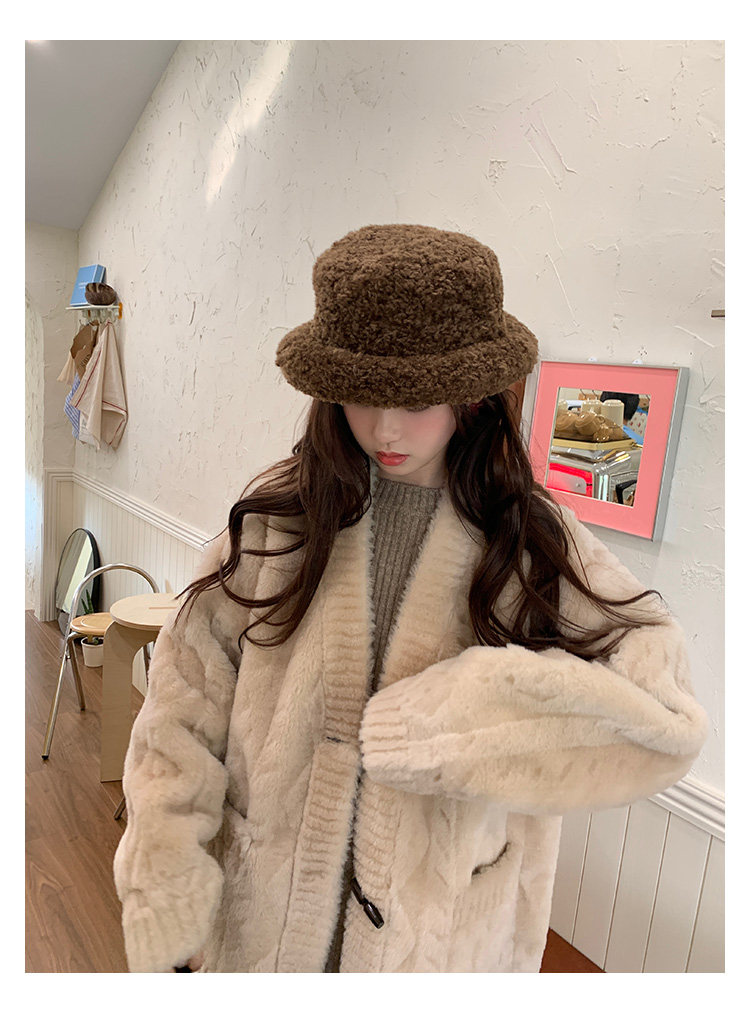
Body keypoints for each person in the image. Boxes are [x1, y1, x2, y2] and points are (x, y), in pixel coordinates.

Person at [112, 224, 709, 973]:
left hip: (439, 942)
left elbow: (666, 718)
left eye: (417, 398)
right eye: (360, 395)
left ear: (472, 393)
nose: (385, 428)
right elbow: (183, 704)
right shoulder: (279, 519)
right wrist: (166, 878)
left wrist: (459, 719)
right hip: (262, 921)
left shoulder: (531, 539)